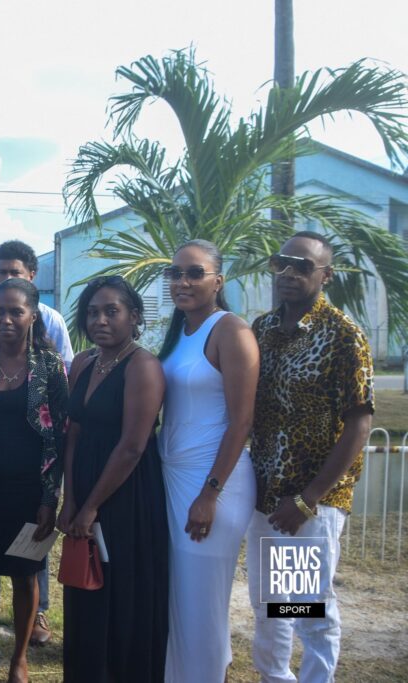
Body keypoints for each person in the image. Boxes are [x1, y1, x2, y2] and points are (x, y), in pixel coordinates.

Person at [246, 232, 374, 683]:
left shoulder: (342, 335)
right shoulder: (262, 329)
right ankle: (274, 677)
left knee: (306, 606)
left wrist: (306, 499)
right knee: (268, 603)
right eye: (281, 262)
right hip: (265, 497)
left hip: (309, 502)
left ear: (326, 275)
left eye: (301, 266)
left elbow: (359, 423)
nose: (288, 273)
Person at [0, 239, 74, 643]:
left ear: (33, 315)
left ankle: (19, 659)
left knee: (25, 578)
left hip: (29, 493)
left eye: (16, 312)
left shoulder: (50, 367)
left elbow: (57, 437)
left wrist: (49, 498)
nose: (6, 319)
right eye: (0, 311)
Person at [56, 276, 168, 683]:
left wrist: (91, 506)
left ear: (134, 316)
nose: (99, 320)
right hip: (85, 487)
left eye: (111, 311)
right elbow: (74, 432)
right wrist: (71, 499)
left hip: (124, 495)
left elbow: (132, 447)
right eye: (91, 312)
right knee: (84, 586)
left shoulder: (143, 366)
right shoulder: (84, 362)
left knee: (119, 589)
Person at [157, 241, 257, 682]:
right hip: (173, 477)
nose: (183, 282)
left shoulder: (231, 331)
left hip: (213, 484)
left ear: (219, 279)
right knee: (180, 600)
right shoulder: (179, 331)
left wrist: (209, 494)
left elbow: (241, 422)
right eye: (176, 273)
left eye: (195, 273)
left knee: (201, 604)